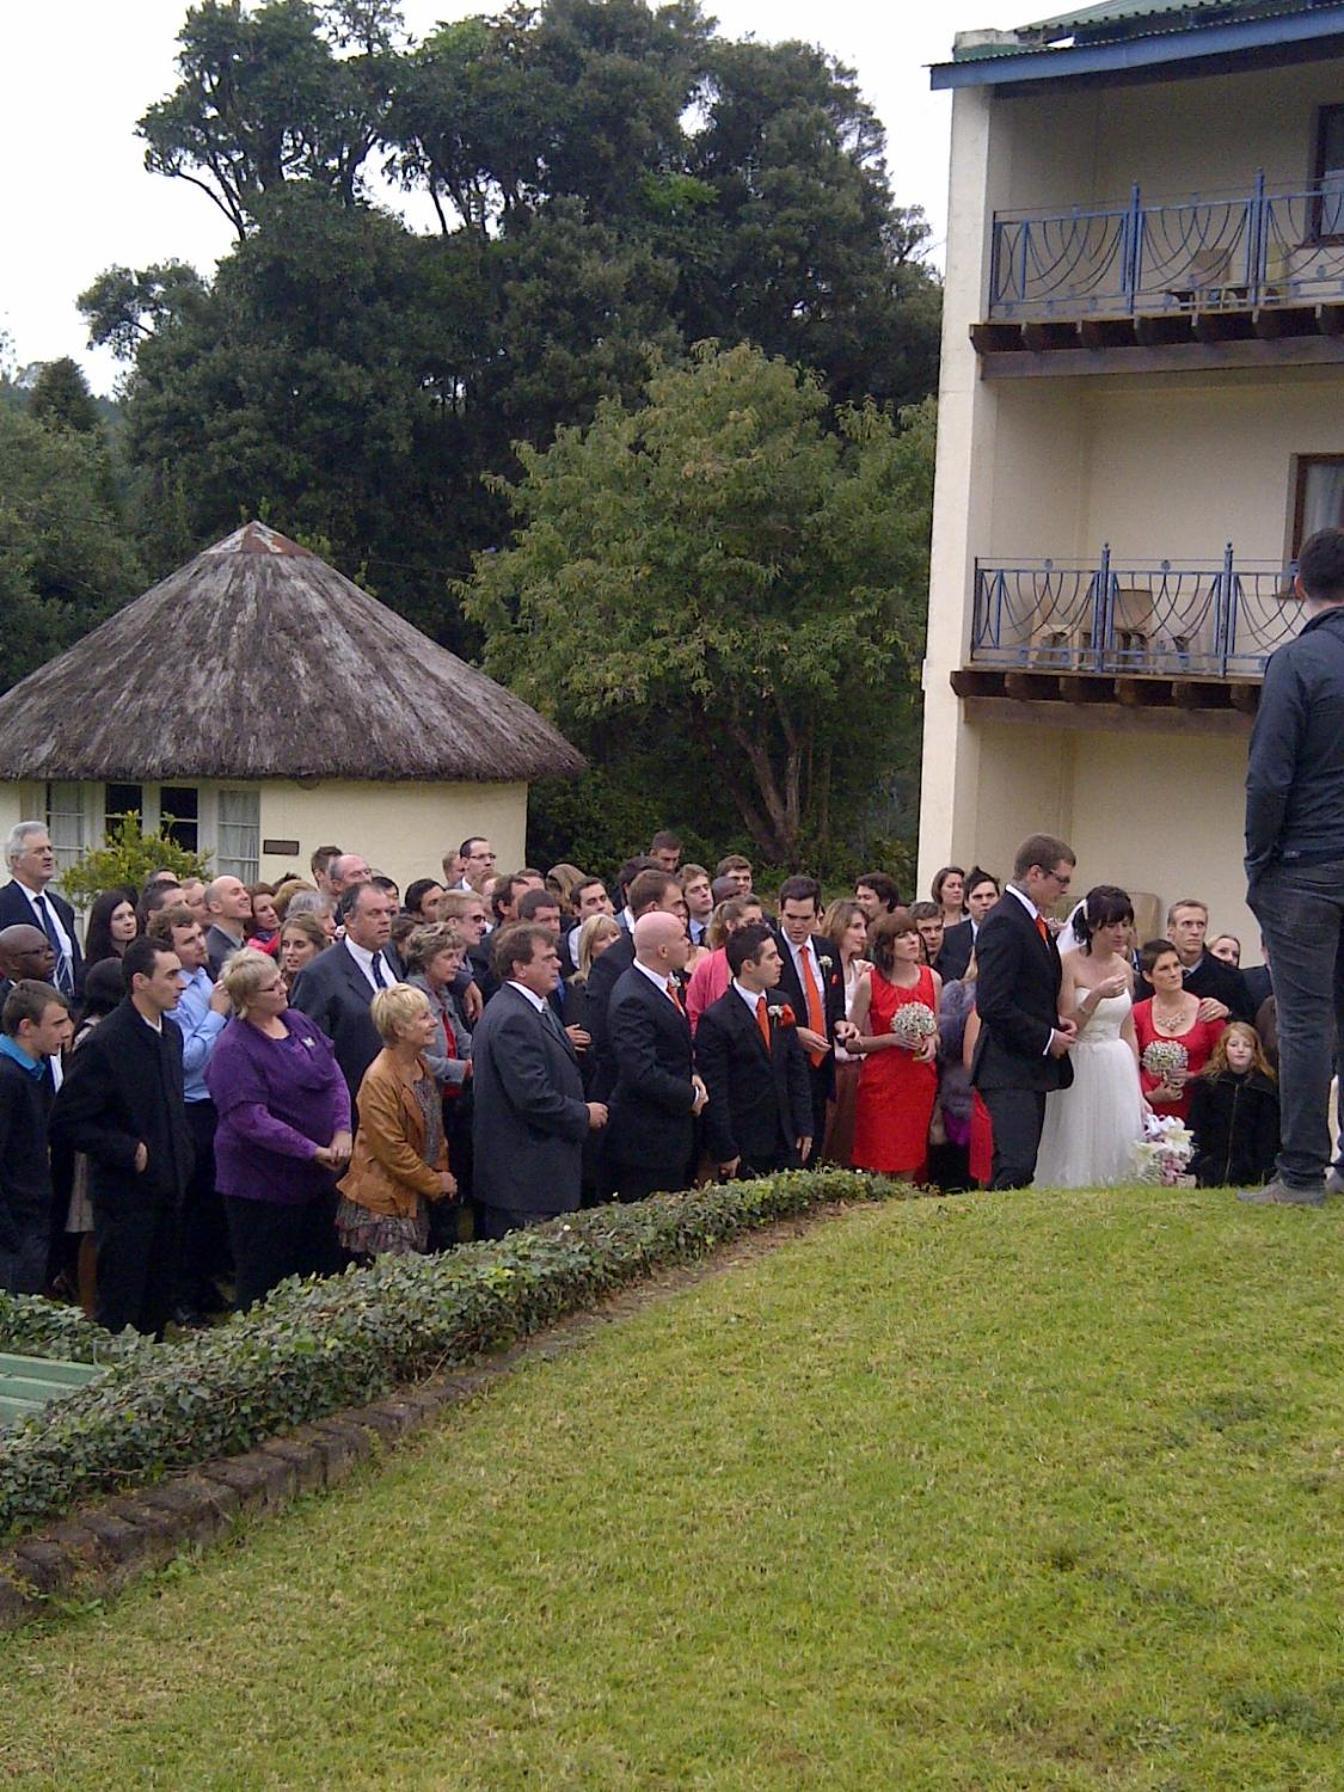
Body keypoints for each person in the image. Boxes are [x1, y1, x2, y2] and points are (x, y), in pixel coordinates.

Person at [1243, 538, 1344, 1199]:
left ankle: (1302, 1172)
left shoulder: (1296, 662)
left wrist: (1259, 858)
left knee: (1306, 1018)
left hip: (1307, 862)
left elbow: (1269, 776)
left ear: (1299, 582)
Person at [50, 936, 194, 1337]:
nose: (180, 984)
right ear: (139, 982)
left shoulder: (171, 1033)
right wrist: (128, 1151)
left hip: (170, 1190)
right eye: (170, 975)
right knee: (123, 1309)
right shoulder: (106, 1042)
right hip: (127, 1199)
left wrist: (180, 1155)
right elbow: (67, 1122)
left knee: (157, 1306)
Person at [205, 949, 351, 1310]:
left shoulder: (298, 1021)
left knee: (324, 1268)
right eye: (271, 988)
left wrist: (342, 1130)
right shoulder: (234, 1047)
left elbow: (333, 1077)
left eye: (281, 980)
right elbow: (250, 1119)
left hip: (317, 1179)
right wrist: (310, 1150)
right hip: (262, 1186)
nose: (283, 988)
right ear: (248, 999)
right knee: (265, 1282)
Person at [470, 924, 607, 1238]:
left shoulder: (533, 1007)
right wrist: (584, 1113)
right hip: (525, 1182)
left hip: (541, 1176)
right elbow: (532, 1096)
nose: (558, 964)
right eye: (547, 958)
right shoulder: (513, 1018)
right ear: (520, 968)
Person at [968, 834, 1077, 1190]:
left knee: (1015, 1164)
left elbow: (1026, 990)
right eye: (1061, 880)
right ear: (1035, 873)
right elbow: (992, 1004)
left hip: (1028, 1066)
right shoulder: (1005, 921)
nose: (1064, 889)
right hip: (1007, 1065)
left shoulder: (1031, 921)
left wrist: (1052, 1019)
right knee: (1017, 1165)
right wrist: (1047, 1037)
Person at [1032, 886, 1146, 1189]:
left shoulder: (1124, 967)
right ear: (1093, 925)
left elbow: (1128, 1029)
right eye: (1111, 925)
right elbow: (1069, 1024)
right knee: (1077, 1136)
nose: (1120, 933)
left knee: (1117, 1135)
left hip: (1116, 1061)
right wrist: (1095, 996)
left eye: (1125, 925)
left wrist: (1136, 1084)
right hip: (1081, 1060)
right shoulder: (1068, 962)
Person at [150, 904, 232, 1321]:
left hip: (219, 1102)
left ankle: (203, 1284)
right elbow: (186, 1057)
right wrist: (217, 1015)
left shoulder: (206, 978)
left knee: (211, 1205)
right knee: (188, 1203)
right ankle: (179, 1294)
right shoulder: (174, 994)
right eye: (189, 940)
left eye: (201, 935)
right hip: (189, 1106)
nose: (201, 944)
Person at [336, 984, 457, 1257]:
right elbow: (392, 1151)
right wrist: (437, 1183)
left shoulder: (419, 1063)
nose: (433, 1022)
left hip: (413, 1195)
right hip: (382, 1209)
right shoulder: (379, 1079)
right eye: (423, 1017)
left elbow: (434, 1128)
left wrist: (440, 1170)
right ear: (399, 1029)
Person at [604, 912, 706, 1201]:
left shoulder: (663, 983)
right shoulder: (633, 998)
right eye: (682, 937)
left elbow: (674, 1048)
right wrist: (690, 1097)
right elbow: (641, 1071)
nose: (689, 942)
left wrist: (693, 1074)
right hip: (647, 1138)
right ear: (662, 950)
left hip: (671, 1130)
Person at [695, 924, 812, 1178]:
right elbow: (717, 1091)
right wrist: (725, 1149)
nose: (780, 962)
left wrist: (804, 1125)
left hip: (786, 1135)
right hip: (745, 1141)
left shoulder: (781, 1003)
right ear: (748, 965)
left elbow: (796, 1068)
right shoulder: (717, 1019)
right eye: (771, 957)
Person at [843, 909, 941, 1181]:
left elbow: (937, 1031)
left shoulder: (932, 979)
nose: (913, 940)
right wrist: (889, 1039)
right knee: (880, 1156)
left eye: (913, 933)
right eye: (903, 936)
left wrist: (932, 1041)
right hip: (882, 1081)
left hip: (918, 1079)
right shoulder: (870, 983)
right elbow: (851, 1042)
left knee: (911, 1156)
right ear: (887, 946)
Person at [289, 881, 399, 1108]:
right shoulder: (319, 974)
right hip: (353, 1100)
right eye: (374, 913)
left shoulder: (389, 953)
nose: (385, 920)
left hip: (397, 1092)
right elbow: (309, 1053)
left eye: (388, 912)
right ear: (349, 920)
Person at [585, 869, 685, 1101]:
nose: (683, 911)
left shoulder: (671, 954)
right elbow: (605, 1041)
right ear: (653, 909)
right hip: (636, 1102)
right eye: (677, 904)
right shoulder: (611, 964)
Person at [0, 980, 70, 1293]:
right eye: (56, 1023)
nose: (67, 1031)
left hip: (33, 1213)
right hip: (16, 1223)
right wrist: (10, 1232)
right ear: (27, 1027)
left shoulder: (35, 1068)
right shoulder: (7, 1077)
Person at [773, 875, 844, 1164]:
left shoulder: (826, 950)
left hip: (821, 1062)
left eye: (806, 918)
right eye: (791, 917)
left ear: (819, 915)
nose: (798, 926)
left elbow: (834, 1003)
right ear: (780, 911)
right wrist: (794, 1032)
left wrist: (841, 1023)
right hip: (785, 1065)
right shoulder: (769, 950)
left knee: (815, 1143)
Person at [1132, 939, 1225, 1125]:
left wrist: (1193, 1075)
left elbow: (1223, 1061)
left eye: (1176, 965)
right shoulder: (1138, 1013)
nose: (1174, 973)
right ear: (1148, 976)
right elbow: (1130, 1062)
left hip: (1198, 1108)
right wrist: (1149, 1094)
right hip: (1150, 1111)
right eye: (1164, 968)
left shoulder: (1206, 1010)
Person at [1188, 1023, 1280, 1189]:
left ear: (1255, 1051)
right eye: (1234, 1045)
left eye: (1247, 1045)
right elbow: (1197, 1123)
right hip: (1211, 1165)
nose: (1240, 1050)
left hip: (1250, 1168)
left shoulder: (1264, 1088)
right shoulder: (1209, 1083)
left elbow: (1269, 1133)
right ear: (1224, 1048)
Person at [1135, 899, 1253, 1024]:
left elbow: (1248, 1025)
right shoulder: (1155, 972)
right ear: (1171, 930)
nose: (1195, 932)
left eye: (1200, 925)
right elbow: (1139, 1018)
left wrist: (1227, 1012)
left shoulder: (1229, 977)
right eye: (1187, 924)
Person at [0, 822, 81, 997]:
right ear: (16, 860)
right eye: (39, 851)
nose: (48, 856)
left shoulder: (61, 908)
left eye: (49, 849)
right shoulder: (4, 904)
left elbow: (73, 963)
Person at [819, 899, 870, 1166]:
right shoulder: (822, 967)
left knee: (845, 1142)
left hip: (856, 1066)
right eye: (855, 927)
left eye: (865, 927)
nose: (863, 934)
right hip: (829, 1063)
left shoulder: (862, 971)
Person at [402, 924, 474, 1094]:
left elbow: (460, 1035)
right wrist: (461, 1069)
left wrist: (481, 1056)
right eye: (448, 957)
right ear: (426, 961)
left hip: (454, 1092)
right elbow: (413, 1056)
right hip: (428, 1092)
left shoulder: (442, 990)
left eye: (457, 956)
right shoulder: (411, 997)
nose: (456, 964)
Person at [684, 895, 766, 1032]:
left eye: (760, 922)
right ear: (731, 925)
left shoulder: (769, 960)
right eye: (750, 922)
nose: (757, 928)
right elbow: (693, 1013)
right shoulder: (707, 966)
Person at [937, 867, 1001, 982]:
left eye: (990, 896)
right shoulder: (949, 938)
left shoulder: (1013, 934)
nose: (985, 902)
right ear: (966, 902)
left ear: (999, 899)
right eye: (978, 897)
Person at [203, 875, 253, 978]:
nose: (245, 896)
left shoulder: (241, 945)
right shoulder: (212, 954)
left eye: (244, 890)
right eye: (235, 893)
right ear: (216, 907)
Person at [0, 923, 56, 1006]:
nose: (50, 955)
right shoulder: (4, 1003)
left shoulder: (55, 994)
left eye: (50, 949)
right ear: (13, 963)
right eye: (38, 952)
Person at [83, 888, 139, 969]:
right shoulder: (94, 968)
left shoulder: (140, 959)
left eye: (131, 914)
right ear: (105, 923)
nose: (129, 922)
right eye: (119, 917)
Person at [279, 912, 331, 990]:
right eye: (285, 945)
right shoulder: (276, 988)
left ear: (319, 947)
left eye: (299, 945)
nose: (290, 952)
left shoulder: (334, 985)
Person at [680, 864, 714, 947]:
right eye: (695, 890)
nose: (704, 893)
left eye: (706, 887)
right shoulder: (680, 932)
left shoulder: (727, 926)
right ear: (684, 898)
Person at [245, 884, 281, 957]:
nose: (272, 913)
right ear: (252, 916)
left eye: (274, 906)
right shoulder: (251, 949)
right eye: (263, 910)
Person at [908, 901, 945, 968]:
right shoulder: (900, 970)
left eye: (938, 929)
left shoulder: (958, 968)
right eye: (926, 930)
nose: (933, 936)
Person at [933, 865, 968, 930]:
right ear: (939, 890)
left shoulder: (971, 919)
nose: (957, 890)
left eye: (960, 886)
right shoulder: (931, 920)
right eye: (951, 886)